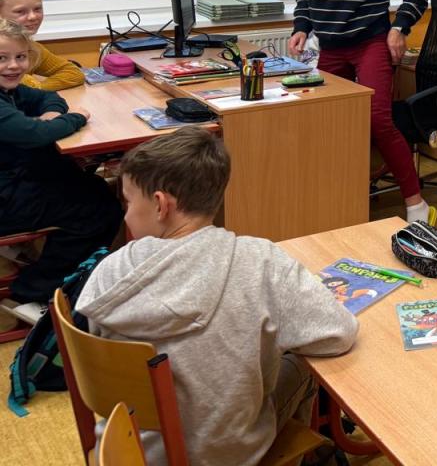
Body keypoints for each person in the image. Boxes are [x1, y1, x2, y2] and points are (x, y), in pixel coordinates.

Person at [77, 128, 358, 466]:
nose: (125, 214)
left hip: (131, 452)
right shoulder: (261, 261)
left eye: (128, 201)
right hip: (230, 455)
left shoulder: (109, 271)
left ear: (160, 204)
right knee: (300, 362)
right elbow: (338, 334)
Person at [285, 0, 434, 224]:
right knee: (326, 120)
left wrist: (399, 27)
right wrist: (301, 27)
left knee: (377, 119)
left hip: (370, 43)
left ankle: (416, 204)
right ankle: (336, 198)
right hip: (332, 46)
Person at [0, 20, 120, 316]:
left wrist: (52, 116)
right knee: (98, 210)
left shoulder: (10, 89)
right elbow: (35, 134)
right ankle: (34, 294)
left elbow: (48, 97)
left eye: (20, 57)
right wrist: (75, 118)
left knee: (86, 182)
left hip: (11, 180)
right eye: (2, 58)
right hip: (5, 199)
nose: (13, 66)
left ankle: (49, 265)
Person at [0, 0, 84, 91]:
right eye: (20, 11)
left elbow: (74, 74)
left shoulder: (33, 49)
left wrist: (38, 89)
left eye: (37, 9)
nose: (32, 17)